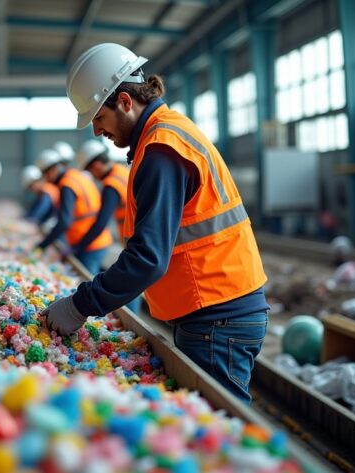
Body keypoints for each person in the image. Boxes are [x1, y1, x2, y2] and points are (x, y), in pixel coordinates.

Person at [44, 43, 268, 404]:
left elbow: (148, 258)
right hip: (219, 306)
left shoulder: (162, 150)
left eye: (98, 118)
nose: (97, 132)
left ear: (124, 102)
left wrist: (79, 305)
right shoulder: (168, 132)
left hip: (216, 314)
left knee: (220, 429)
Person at [72, 140, 142, 313]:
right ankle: (134, 316)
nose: (93, 176)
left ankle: (131, 318)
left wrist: (79, 246)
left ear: (96, 166)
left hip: (133, 236)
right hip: (139, 231)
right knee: (135, 280)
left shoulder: (111, 185)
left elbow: (100, 223)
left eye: (90, 171)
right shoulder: (121, 170)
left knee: (129, 281)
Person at [34, 148, 112, 275]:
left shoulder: (67, 185)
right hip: (95, 239)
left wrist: (42, 246)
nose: (46, 180)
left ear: (52, 170)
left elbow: (64, 222)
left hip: (88, 243)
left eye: (45, 175)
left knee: (90, 281)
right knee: (96, 277)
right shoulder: (75, 175)